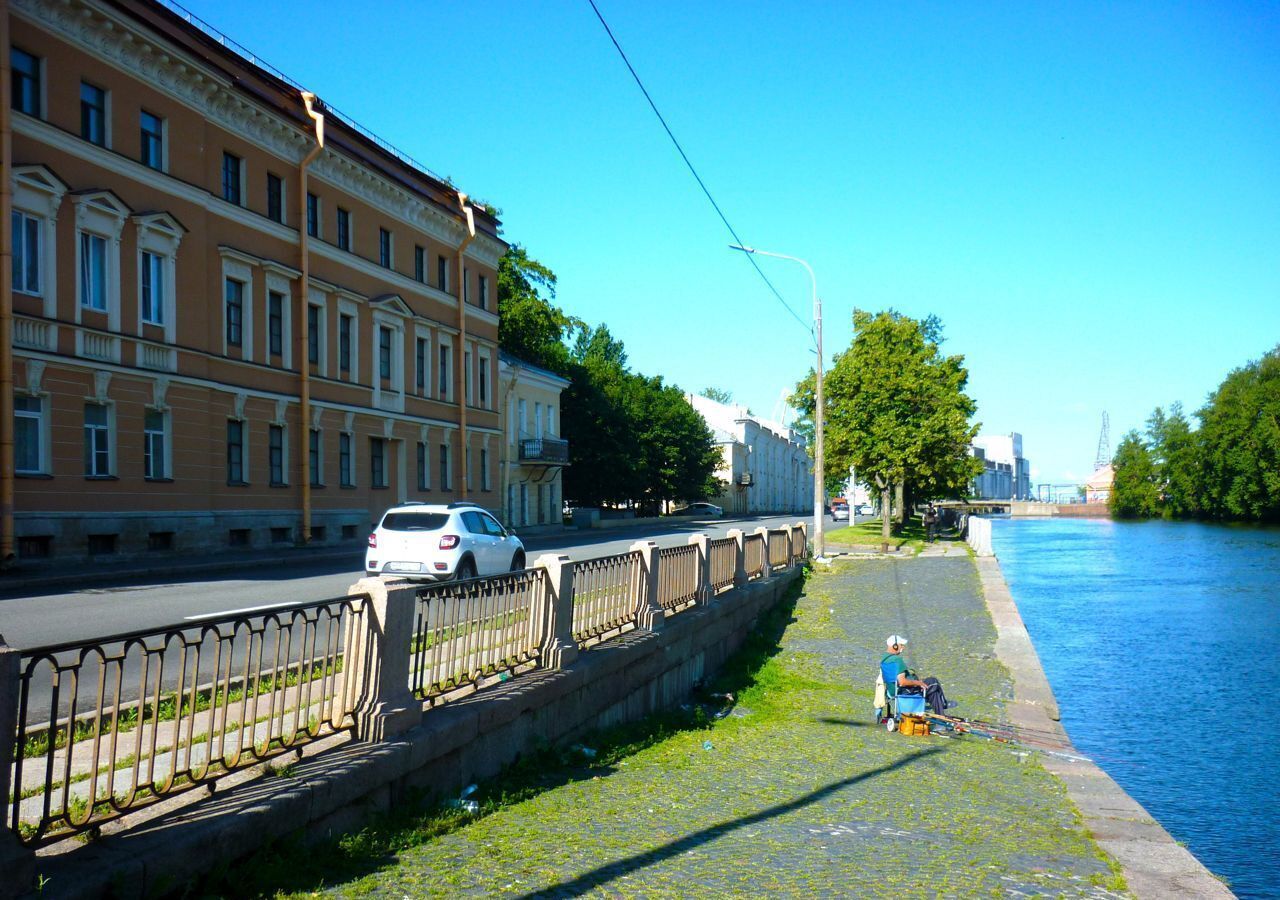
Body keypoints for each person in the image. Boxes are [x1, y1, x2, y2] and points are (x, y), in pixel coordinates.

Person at [881, 634, 952, 715]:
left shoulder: (884, 660)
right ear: (895, 646)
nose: (903, 647)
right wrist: (918, 683)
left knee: (931, 688)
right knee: (933, 682)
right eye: (901, 645)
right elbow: (902, 682)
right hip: (903, 691)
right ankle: (943, 706)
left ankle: (941, 709)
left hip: (892, 690)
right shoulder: (897, 660)